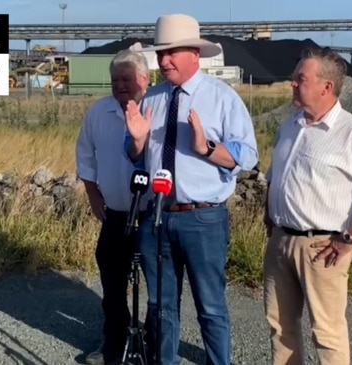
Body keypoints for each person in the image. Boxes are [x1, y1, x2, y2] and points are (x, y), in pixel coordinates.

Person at [123, 13, 259, 365]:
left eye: (172, 53)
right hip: (157, 216)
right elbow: (136, 158)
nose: (164, 61)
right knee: (161, 306)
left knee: (210, 306)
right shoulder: (151, 99)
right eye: (161, 53)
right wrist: (136, 142)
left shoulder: (222, 98)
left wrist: (207, 148)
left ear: (195, 55)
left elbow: (246, 156)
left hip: (203, 219)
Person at [263, 47, 352, 365]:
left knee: (326, 334)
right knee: (280, 327)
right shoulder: (289, 126)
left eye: (301, 79)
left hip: (324, 246)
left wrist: (349, 238)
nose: (293, 84)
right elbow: (275, 176)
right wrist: (268, 215)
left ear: (326, 87)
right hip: (280, 242)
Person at [75, 49, 151, 365]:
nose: (120, 85)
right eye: (115, 79)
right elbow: (85, 154)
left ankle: (156, 344)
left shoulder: (157, 108)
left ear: (145, 79)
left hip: (153, 215)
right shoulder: (98, 112)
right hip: (115, 215)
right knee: (113, 287)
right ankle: (114, 345)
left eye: (127, 79)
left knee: (160, 289)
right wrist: (92, 192)